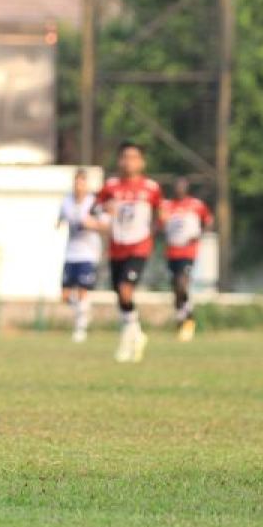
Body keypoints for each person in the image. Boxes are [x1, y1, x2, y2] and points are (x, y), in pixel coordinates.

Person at [94, 142, 164, 363]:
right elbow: (94, 207)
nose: (129, 162)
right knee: (120, 295)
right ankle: (136, 333)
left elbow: (160, 214)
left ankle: (128, 337)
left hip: (139, 245)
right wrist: (104, 210)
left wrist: (155, 229)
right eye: (125, 157)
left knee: (126, 289)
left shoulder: (151, 188)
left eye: (134, 157)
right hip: (117, 246)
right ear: (119, 160)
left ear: (142, 162)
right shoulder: (111, 186)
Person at [160, 177, 213, 342]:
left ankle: (189, 318)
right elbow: (161, 224)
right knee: (176, 287)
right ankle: (181, 317)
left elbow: (209, 221)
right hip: (172, 251)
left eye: (182, 186)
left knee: (183, 283)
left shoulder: (196, 205)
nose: (179, 189)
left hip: (188, 252)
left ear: (187, 188)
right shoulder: (167, 206)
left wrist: (198, 234)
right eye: (177, 186)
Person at [56, 169, 104, 343]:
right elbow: (60, 219)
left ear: (86, 184)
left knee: (83, 291)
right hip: (71, 253)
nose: (78, 186)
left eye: (82, 182)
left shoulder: (93, 203)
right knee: (65, 296)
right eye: (76, 182)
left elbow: (104, 224)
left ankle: (80, 328)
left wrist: (92, 224)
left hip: (88, 253)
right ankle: (84, 311)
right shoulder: (66, 201)